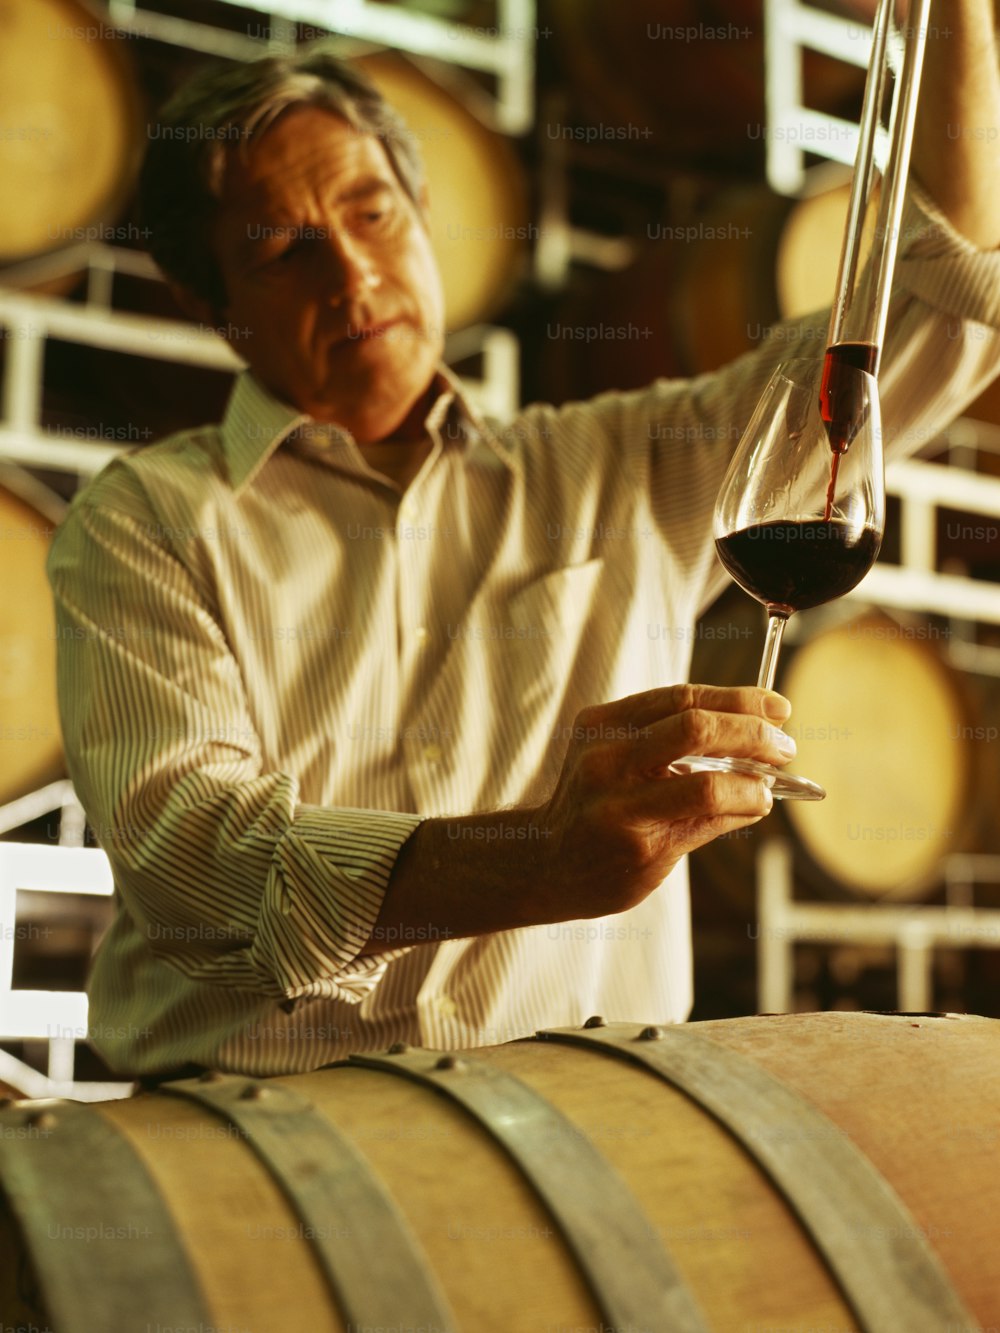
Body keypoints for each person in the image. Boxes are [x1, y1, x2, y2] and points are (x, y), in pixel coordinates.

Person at [48, 8, 1000, 1077]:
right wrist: (535, 861)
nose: (354, 279)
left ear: (423, 210)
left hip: (593, 1134)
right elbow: (196, 859)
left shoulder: (616, 466)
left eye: (373, 215)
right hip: (248, 1134)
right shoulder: (144, 518)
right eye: (283, 251)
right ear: (206, 303)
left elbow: (937, 290)